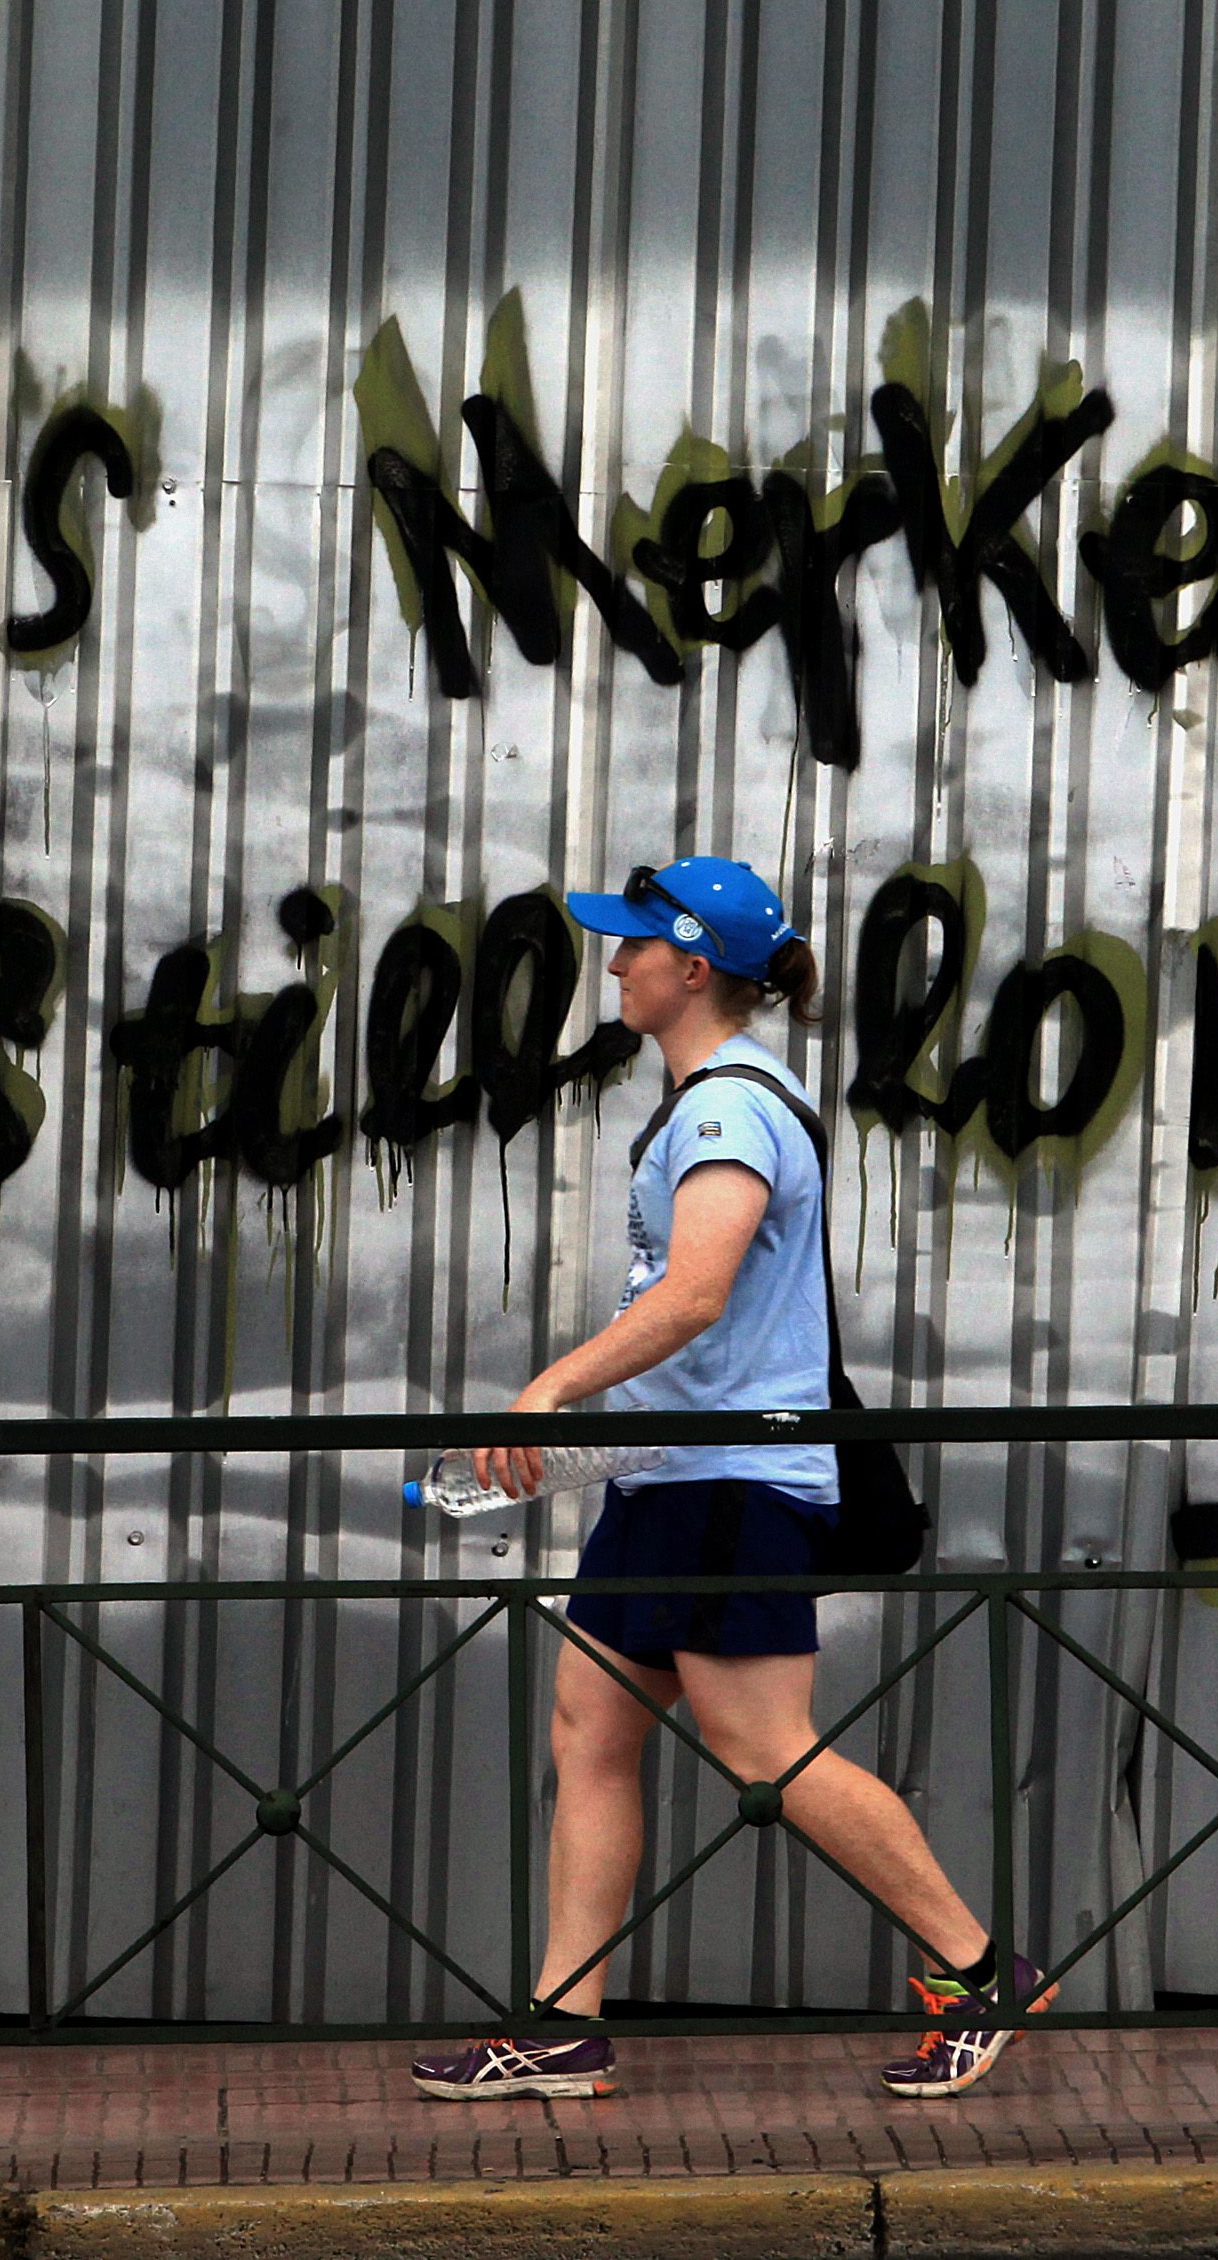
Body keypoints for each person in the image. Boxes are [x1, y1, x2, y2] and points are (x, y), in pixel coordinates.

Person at [409, 856, 1040, 2104]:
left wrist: (546, 1390)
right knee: (591, 1730)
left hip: (731, 1483)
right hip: (667, 1479)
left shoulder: (725, 1110)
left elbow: (696, 1292)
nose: (614, 964)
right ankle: (561, 2027)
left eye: (633, 946)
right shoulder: (710, 1095)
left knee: (764, 1749)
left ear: (692, 967)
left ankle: (979, 1973)